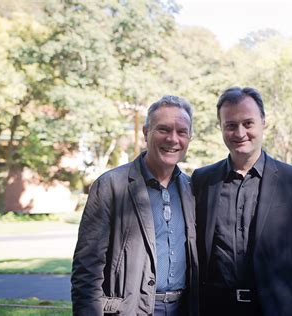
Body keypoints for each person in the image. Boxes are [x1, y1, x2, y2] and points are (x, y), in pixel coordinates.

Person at [192, 87, 292, 316]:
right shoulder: (202, 181)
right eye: (231, 125)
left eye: (248, 123)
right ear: (221, 128)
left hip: (276, 309)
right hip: (215, 310)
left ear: (263, 122)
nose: (240, 132)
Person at [71, 95, 199, 316]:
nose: (173, 139)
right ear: (146, 132)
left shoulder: (193, 188)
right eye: (163, 129)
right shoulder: (111, 186)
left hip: (184, 308)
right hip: (132, 310)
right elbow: (87, 270)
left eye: (182, 132)